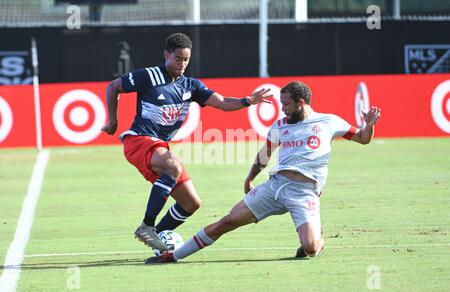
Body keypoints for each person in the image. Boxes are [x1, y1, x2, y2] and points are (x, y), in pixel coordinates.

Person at [145, 80, 381, 263]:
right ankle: (172, 256)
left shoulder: (329, 122)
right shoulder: (279, 125)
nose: (283, 109)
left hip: (304, 193)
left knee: (310, 248)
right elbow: (265, 154)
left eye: (286, 104)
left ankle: (318, 237)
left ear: (301, 102)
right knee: (226, 222)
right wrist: (250, 178)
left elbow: (362, 138)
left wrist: (369, 126)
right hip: (274, 187)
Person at [101, 33, 272, 251]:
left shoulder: (191, 86)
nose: (182, 64)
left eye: (186, 60)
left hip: (159, 146)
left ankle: (157, 238)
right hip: (139, 140)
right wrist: (113, 120)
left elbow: (223, 103)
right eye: (178, 59)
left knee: (191, 203)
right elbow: (113, 86)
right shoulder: (149, 76)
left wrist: (247, 101)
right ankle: (147, 225)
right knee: (173, 165)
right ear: (166, 55)